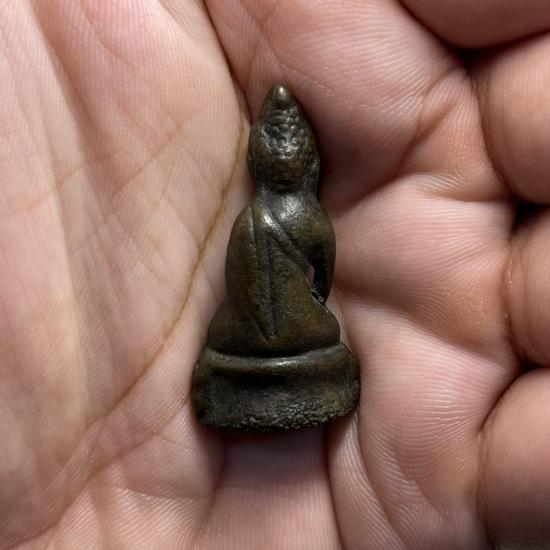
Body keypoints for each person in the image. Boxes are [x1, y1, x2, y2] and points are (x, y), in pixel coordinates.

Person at [1, 0, 549, 548]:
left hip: (243, 343)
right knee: (318, 329)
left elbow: (245, 282)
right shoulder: (306, 216)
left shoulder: (252, 217)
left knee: (229, 329)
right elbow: (320, 280)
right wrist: (299, 308)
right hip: (302, 338)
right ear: (308, 166)